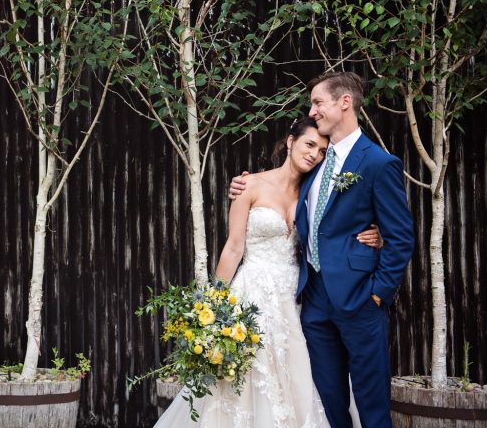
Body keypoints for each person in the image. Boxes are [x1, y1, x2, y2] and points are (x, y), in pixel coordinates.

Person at [154, 117, 384, 427]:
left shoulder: (316, 191)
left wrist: (377, 234)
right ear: (291, 142)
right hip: (253, 295)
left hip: (296, 298)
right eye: (309, 144)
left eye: (321, 151)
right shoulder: (249, 185)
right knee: (248, 378)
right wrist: (213, 304)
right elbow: (234, 248)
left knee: (300, 376)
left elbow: (339, 229)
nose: (314, 154)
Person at [229, 71, 415, 428]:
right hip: (312, 303)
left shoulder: (378, 163)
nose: (312, 111)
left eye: (317, 102)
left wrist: (378, 294)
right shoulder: (314, 165)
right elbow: (287, 199)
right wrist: (243, 185)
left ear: (344, 102)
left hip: (360, 300)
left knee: (371, 404)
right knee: (328, 403)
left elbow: (401, 236)